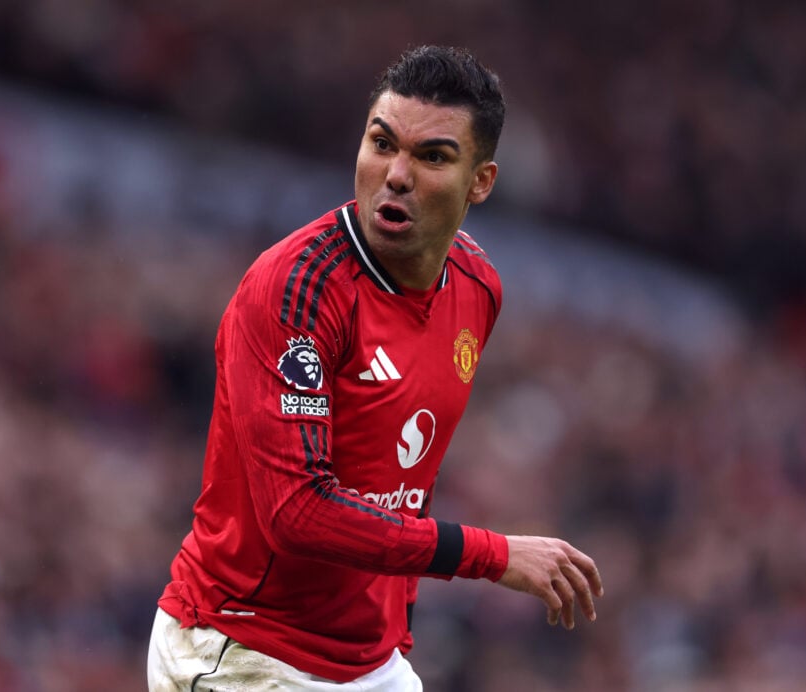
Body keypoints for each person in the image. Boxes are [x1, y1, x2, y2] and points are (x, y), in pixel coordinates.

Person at [148, 45, 603, 691]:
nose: (396, 174)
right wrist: (494, 555)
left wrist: (397, 620)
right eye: (382, 143)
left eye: (432, 156)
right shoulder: (297, 291)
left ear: (480, 182)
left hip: (370, 663)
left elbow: (405, 472)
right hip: (243, 649)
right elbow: (297, 512)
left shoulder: (477, 287)